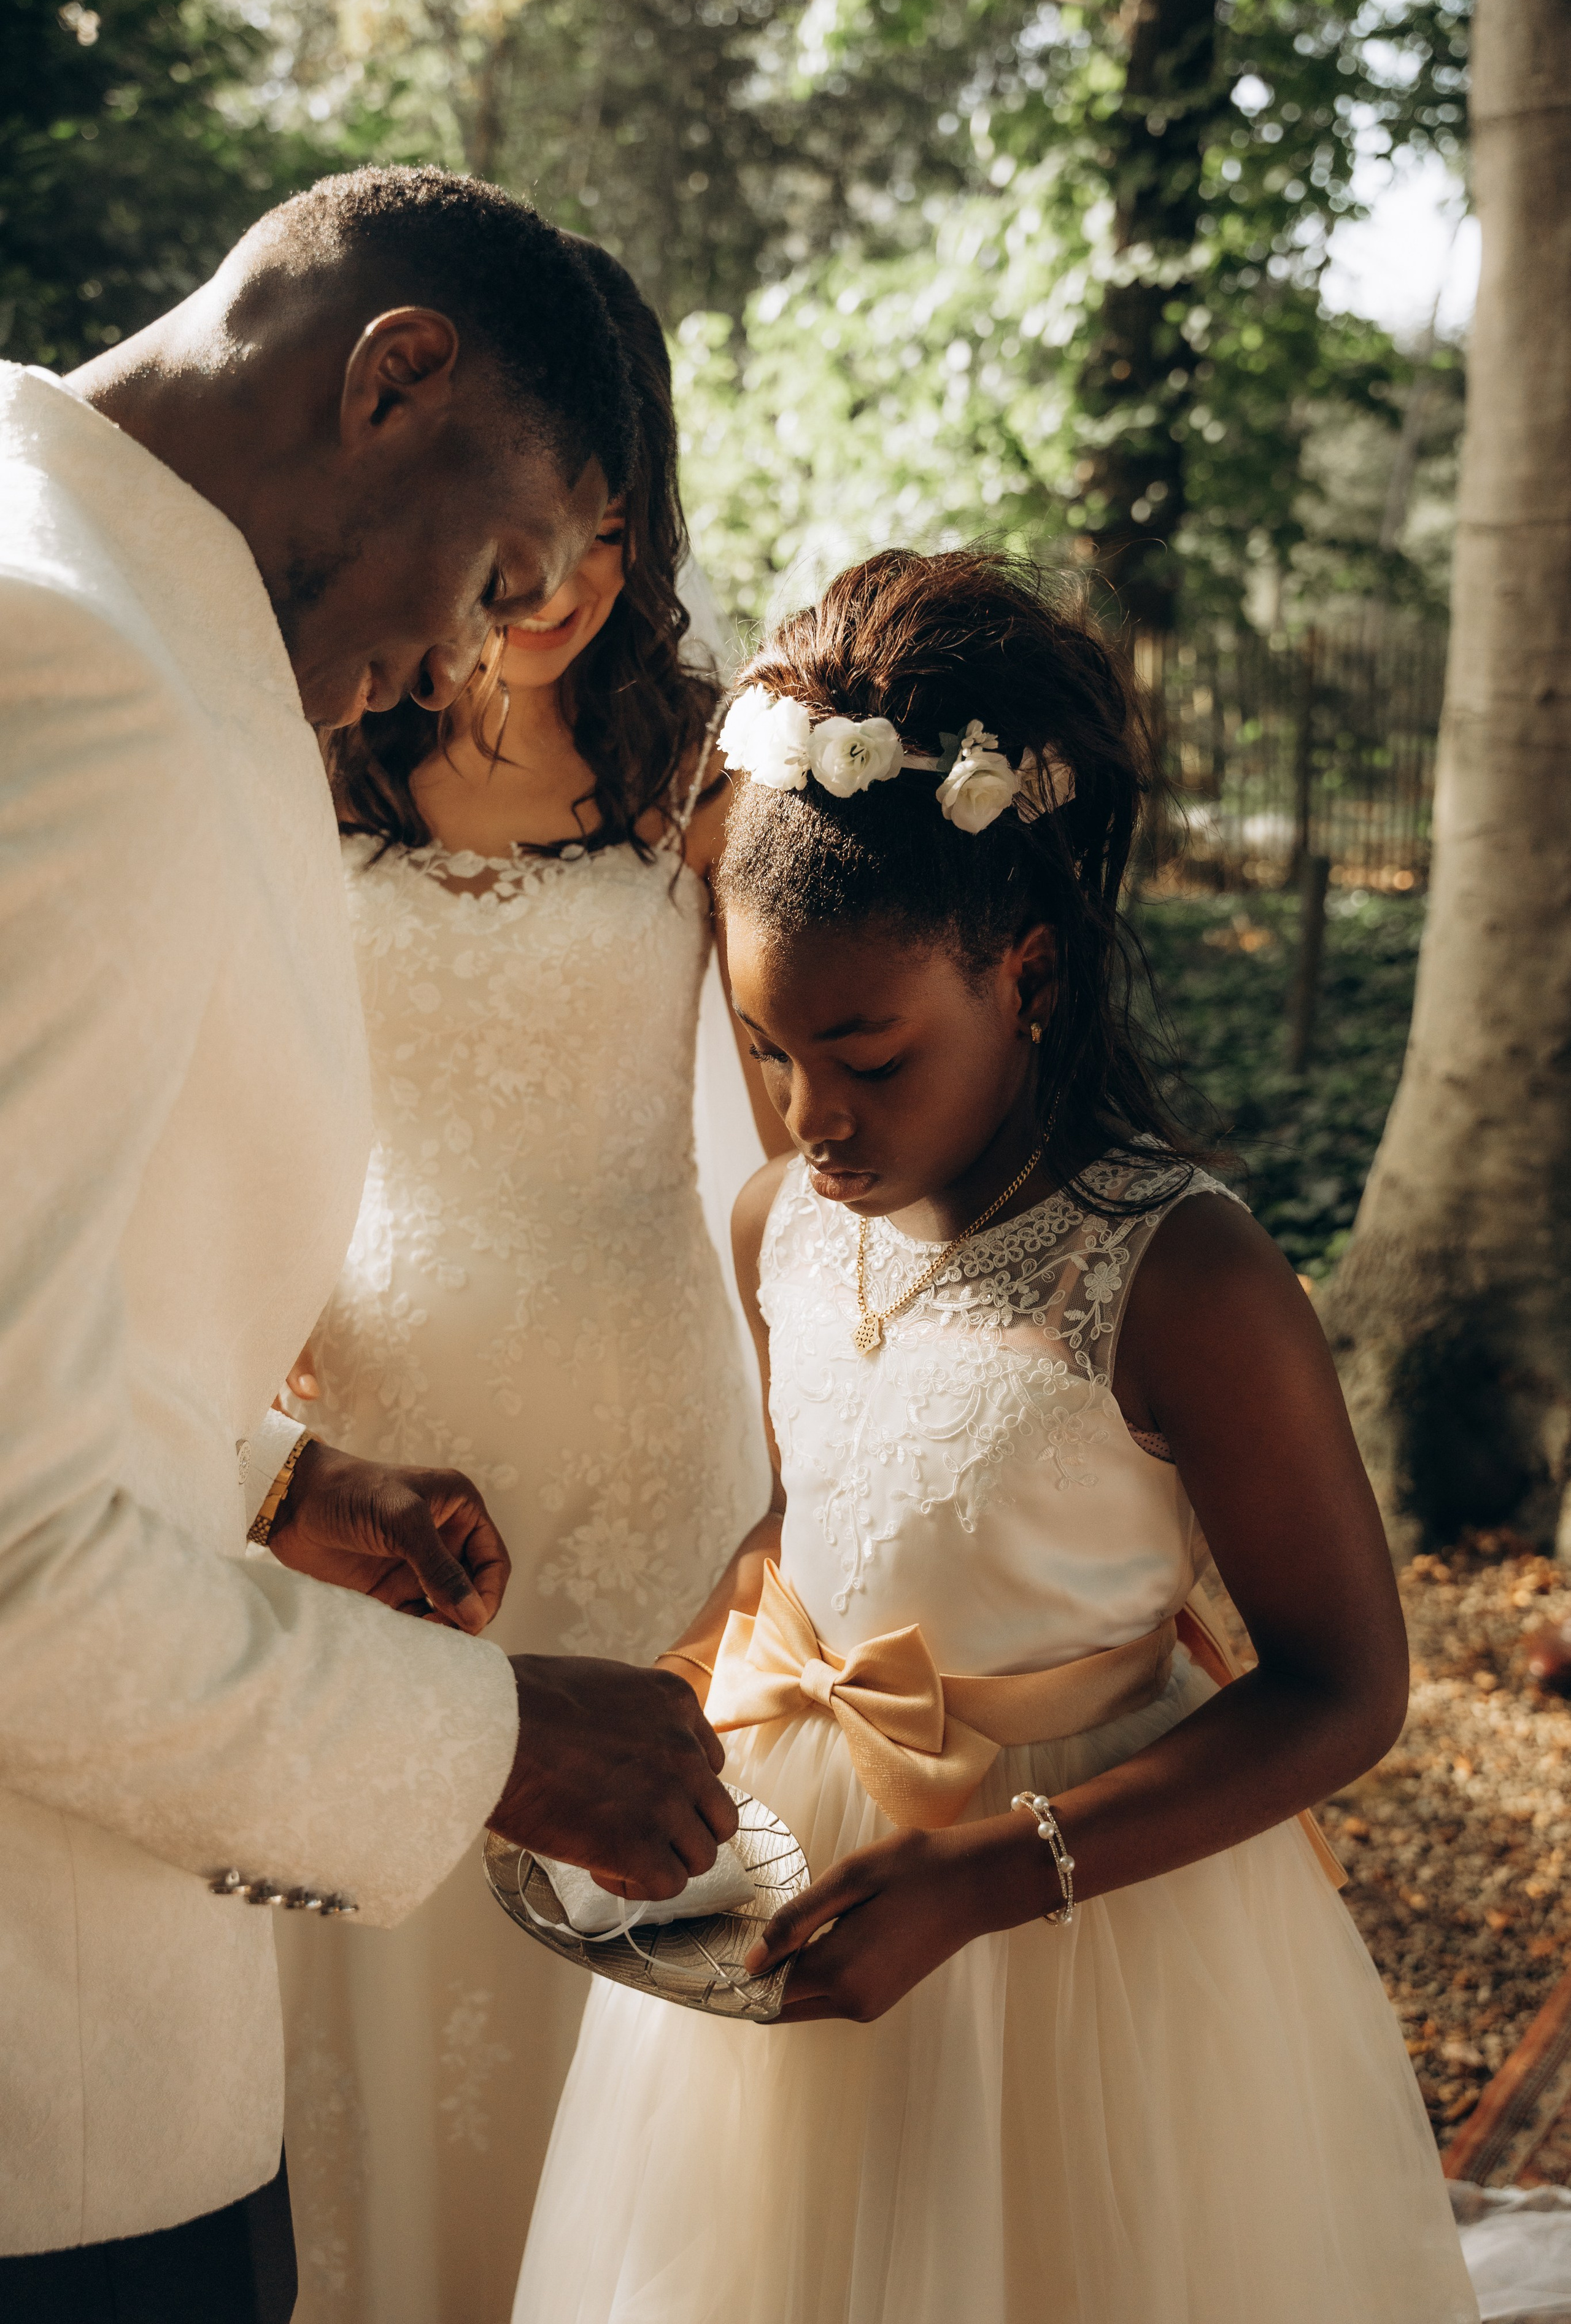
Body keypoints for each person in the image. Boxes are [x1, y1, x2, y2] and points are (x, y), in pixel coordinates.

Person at [514, 548, 1480, 2324]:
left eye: (871, 1055)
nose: (812, 1118)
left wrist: (998, 1868)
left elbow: (1346, 1683)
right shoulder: (782, 1231)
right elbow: (816, 1530)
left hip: (1084, 1938)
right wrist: (680, 1694)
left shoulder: (1179, 1269)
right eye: (768, 1047)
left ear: (1024, 971)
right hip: (805, 1923)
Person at [0, 165, 739, 2322]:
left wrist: (277, 1483)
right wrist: (497, 1738)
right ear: (392, 376)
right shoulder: (85, 686)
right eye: (499, 568)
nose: (477, 654)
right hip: (52, 2094)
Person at [272, 239, 779, 2324]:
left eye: (611, 531)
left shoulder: (698, 776)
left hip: (650, 1437)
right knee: (389, 1949)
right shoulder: (323, 738)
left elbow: (789, 1136)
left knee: (625, 1949)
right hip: (386, 1434)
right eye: (538, 526)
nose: (562, 574)